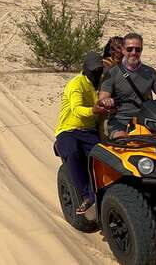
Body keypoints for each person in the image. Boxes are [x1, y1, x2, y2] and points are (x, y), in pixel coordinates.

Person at [54, 51, 110, 214]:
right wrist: (94, 109)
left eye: (98, 70)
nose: (96, 73)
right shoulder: (76, 84)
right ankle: (86, 195)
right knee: (72, 152)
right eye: (93, 70)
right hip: (68, 130)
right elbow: (77, 110)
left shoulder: (100, 83)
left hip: (89, 131)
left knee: (102, 157)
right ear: (85, 69)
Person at [99, 32, 156, 139]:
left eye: (138, 49)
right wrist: (106, 101)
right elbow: (103, 98)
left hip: (147, 119)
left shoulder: (150, 72)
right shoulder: (112, 73)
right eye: (129, 49)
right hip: (121, 121)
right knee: (123, 141)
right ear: (123, 50)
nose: (134, 52)